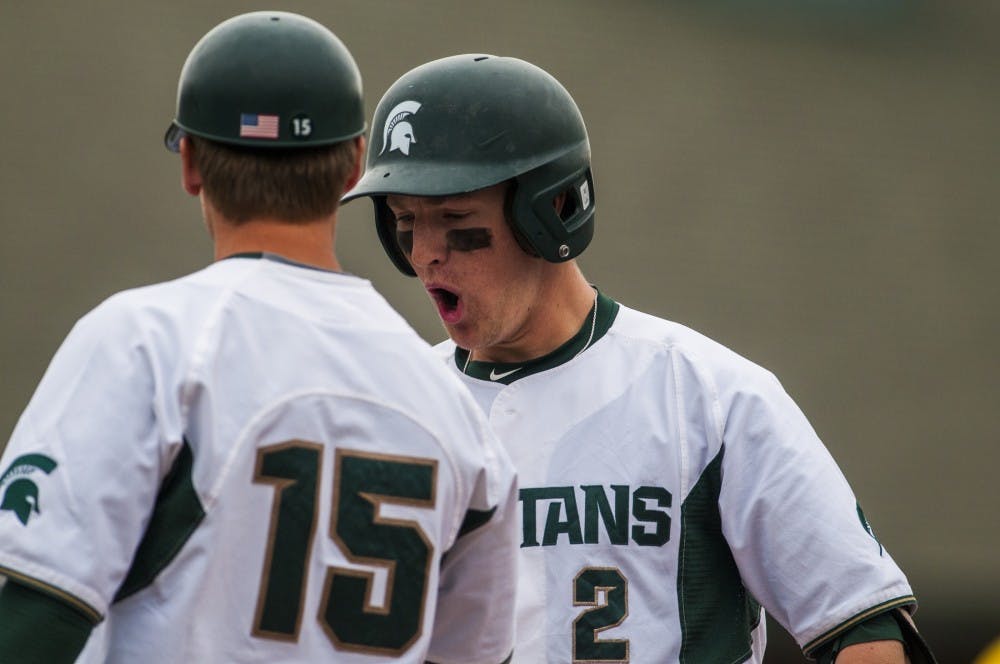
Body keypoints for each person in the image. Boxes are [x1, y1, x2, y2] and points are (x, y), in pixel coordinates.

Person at [341, 54, 938, 663]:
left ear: (549, 211)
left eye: (455, 220)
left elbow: (864, 630)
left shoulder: (706, 394)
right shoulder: (393, 412)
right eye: (406, 222)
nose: (427, 255)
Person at [0, 17, 518, 664]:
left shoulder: (144, 341)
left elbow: (40, 610)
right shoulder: (457, 415)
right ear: (356, 165)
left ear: (190, 163)